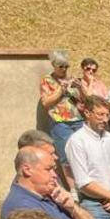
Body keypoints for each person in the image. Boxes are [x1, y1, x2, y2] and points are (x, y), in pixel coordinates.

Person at [40, 51, 85, 193]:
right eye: (61, 66)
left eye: (66, 66)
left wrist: (80, 88)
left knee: (83, 154)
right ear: (53, 65)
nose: (64, 69)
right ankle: (73, 190)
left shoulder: (72, 78)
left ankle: (85, 186)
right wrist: (61, 89)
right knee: (66, 158)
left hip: (78, 120)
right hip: (60, 122)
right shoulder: (47, 80)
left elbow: (83, 101)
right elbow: (46, 103)